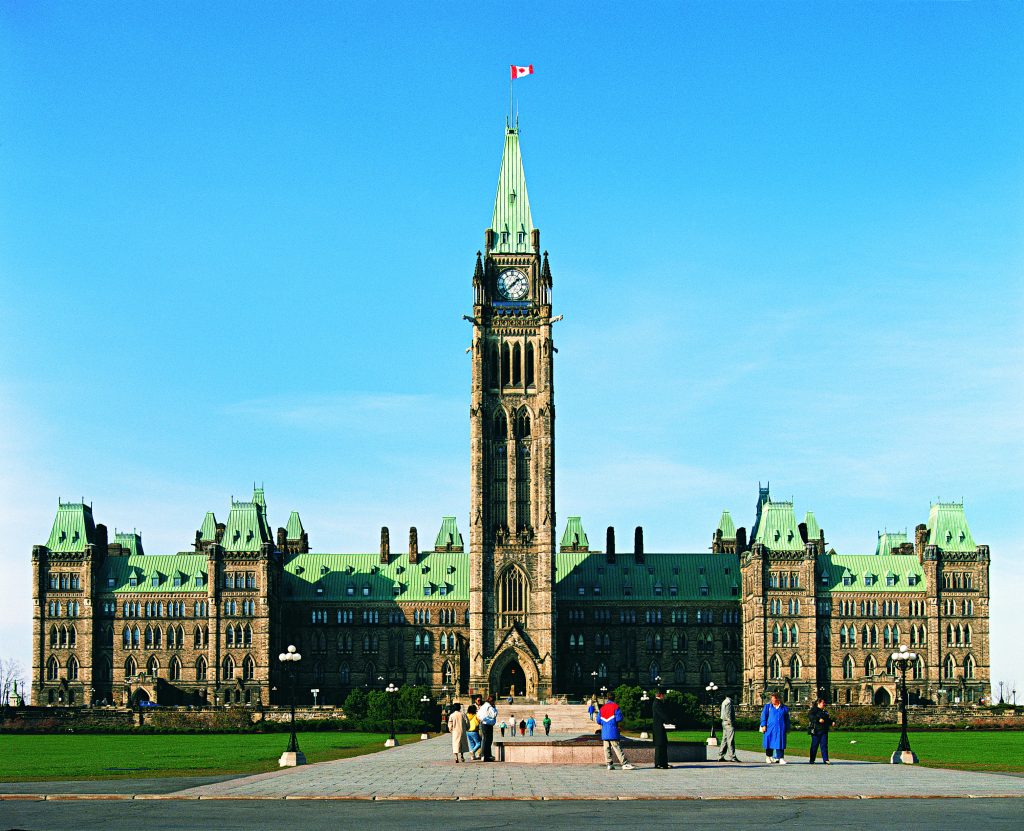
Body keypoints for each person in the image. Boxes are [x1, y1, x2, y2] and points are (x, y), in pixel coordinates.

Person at [596, 694, 635, 770]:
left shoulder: (602, 708)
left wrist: (605, 723)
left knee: (606, 748)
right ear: (614, 698)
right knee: (617, 747)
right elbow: (619, 718)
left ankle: (609, 764)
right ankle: (624, 764)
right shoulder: (615, 706)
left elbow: (598, 720)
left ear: (607, 698)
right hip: (613, 730)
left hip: (605, 731)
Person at [760, 692, 791, 764]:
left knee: (780, 742)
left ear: (778, 699)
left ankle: (780, 758)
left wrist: (787, 727)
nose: (772, 700)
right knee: (769, 742)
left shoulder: (784, 708)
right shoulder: (768, 707)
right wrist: (763, 725)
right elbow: (764, 716)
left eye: (773, 699)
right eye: (771, 699)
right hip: (770, 728)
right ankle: (768, 756)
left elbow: (787, 719)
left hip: (780, 728)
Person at [651, 688, 677, 769]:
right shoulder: (657, 703)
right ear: (660, 695)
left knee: (663, 745)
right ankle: (659, 763)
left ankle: (664, 763)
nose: (664, 696)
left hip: (660, 726)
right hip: (658, 727)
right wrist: (671, 721)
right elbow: (663, 714)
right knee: (659, 745)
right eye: (664, 695)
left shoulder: (659, 702)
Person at [808, 697, 836, 764]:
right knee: (814, 745)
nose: (824, 704)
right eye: (823, 703)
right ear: (819, 703)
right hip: (816, 730)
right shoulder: (813, 710)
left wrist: (831, 722)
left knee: (824, 745)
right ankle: (812, 759)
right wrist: (818, 719)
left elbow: (827, 719)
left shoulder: (824, 711)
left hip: (824, 730)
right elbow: (811, 717)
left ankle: (826, 759)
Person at [718, 693, 740, 762]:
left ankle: (720, 756)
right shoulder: (729, 702)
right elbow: (728, 713)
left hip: (724, 722)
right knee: (730, 740)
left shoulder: (724, 702)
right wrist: (731, 722)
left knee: (724, 739)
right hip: (728, 723)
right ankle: (733, 757)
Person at [477, 694, 497, 762]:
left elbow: (478, 715)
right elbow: (494, 714)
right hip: (488, 725)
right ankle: (485, 755)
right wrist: (494, 708)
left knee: (485, 739)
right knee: (488, 740)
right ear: (492, 701)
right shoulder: (489, 707)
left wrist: (482, 720)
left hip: (483, 724)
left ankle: (485, 755)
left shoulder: (483, 706)